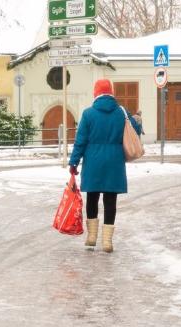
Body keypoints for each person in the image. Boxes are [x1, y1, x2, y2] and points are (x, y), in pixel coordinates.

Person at [69, 79, 141, 253]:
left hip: (93, 161)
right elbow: (135, 133)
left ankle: (92, 237)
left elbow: (81, 141)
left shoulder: (88, 114)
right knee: (110, 201)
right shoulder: (121, 112)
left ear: (96, 93)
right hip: (114, 162)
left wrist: (74, 162)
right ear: (111, 93)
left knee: (92, 199)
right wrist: (136, 120)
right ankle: (107, 241)